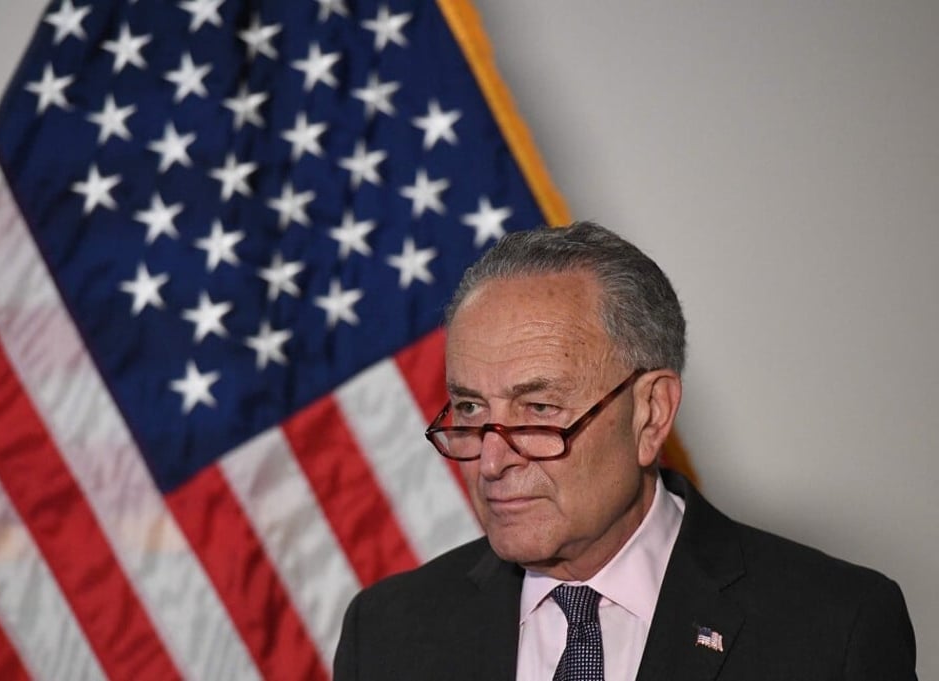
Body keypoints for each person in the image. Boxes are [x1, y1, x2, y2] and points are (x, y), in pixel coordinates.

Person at [333, 221, 917, 681]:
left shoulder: (835, 627)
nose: (492, 462)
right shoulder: (388, 633)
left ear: (651, 413)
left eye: (539, 410)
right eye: (469, 410)